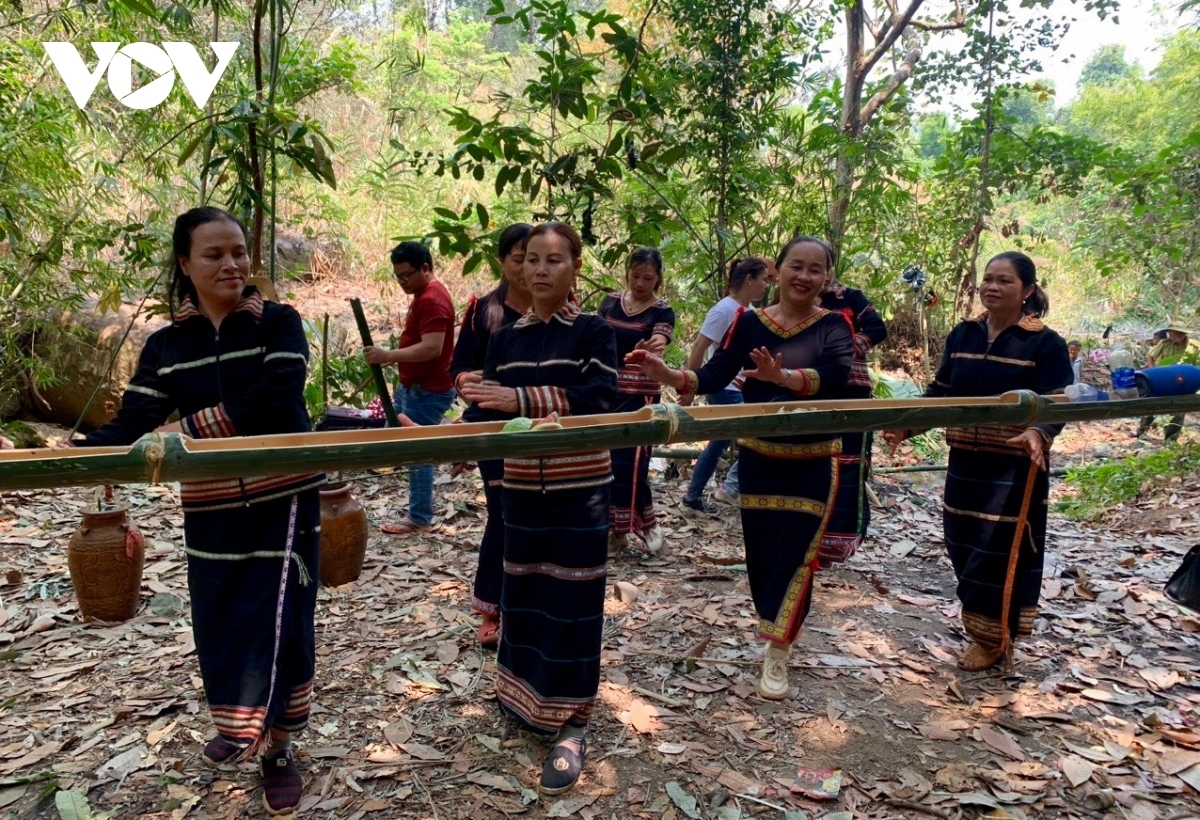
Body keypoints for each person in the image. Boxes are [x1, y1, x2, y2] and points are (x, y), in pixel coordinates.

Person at [72, 208, 328, 815]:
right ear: (185, 264)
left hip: (284, 496)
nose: (232, 264)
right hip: (210, 504)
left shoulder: (280, 322)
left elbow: (276, 397)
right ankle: (240, 723)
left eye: (238, 251)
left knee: (281, 621)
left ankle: (279, 749)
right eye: (214, 255)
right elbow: (135, 420)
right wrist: (75, 454)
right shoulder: (166, 346)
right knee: (222, 618)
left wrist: (183, 431)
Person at [630, 236, 852, 700]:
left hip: (813, 460)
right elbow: (716, 372)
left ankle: (778, 649)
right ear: (777, 271)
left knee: (797, 555)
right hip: (758, 457)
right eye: (795, 266)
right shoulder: (749, 322)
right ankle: (773, 627)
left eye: (815, 269)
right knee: (764, 554)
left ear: (827, 278)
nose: (804, 276)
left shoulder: (835, 325)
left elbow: (834, 379)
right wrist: (671, 375)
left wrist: (782, 377)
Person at [460, 222, 617, 795]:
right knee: (523, 590)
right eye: (531, 259)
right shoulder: (506, 339)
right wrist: (453, 434)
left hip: (582, 490)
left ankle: (573, 721)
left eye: (554, 259)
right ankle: (522, 698)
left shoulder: (594, 332)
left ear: (575, 267)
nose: (541, 269)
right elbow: (490, 410)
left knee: (573, 598)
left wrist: (518, 399)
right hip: (521, 486)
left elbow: (599, 399)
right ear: (519, 267)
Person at [883, 251, 1072, 672]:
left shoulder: (1045, 343)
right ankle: (987, 627)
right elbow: (941, 394)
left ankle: (992, 638)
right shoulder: (964, 334)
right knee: (962, 544)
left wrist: (1039, 432)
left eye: (1005, 280)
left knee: (996, 552)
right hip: (963, 463)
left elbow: (1059, 400)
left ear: (1028, 290)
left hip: (1012, 467)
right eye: (988, 278)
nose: (992, 287)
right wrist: (906, 427)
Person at [449, 223, 533, 647]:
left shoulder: (563, 309)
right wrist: (469, 382)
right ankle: (492, 609)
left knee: (540, 515)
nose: (529, 269)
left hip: (545, 429)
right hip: (494, 428)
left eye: (536, 259)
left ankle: (532, 605)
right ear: (502, 261)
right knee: (503, 514)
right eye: (520, 259)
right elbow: (460, 366)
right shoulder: (484, 311)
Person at [364, 241, 456, 534]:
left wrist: (387, 356)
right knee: (396, 440)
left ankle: (419, 516)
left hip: (427, 391)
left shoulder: (432, 300)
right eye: (398, 277)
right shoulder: (423, 295)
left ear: (425, 268)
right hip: (413, 387)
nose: (402, 282)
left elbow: (431, 348)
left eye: (407, 275)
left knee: (419, 453)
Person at [678, 258, 772, 516]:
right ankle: (716, 491)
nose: (767, 285)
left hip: (739, 387)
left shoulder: (750, 311)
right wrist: (690, 387)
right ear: (749, 279)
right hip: (724, 387)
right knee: (751, 437)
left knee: (725, 441)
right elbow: (699, 347)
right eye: (764, 279)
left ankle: (700, 496)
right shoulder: (724, 310)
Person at [597, 247, 675, 557]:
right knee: (606, 461)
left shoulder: (662, 311)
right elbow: (594, 337)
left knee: (633, 463)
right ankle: (616, 531)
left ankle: (644, 525)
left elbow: (661, 338)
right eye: (635, 276)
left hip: (641, 396)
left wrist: (656, 345)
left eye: (648, 278)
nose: (640, 283)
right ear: (626, 273)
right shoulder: (610, 302)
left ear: (658, 280)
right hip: (606, 391)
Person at [817, 266, 887, 566]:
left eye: (818, 268)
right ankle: (805, 538)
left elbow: (877, 328)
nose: (809, 275)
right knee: (811, 461)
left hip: (850, 390)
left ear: (830, 270)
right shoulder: (790, 299)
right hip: (808, 392)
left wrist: (844, 346)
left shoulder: (849, 297)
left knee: (846, 463)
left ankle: (835, 542)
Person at [1135, 323, 1198, 441]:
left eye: (1175, 334)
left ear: (1182, 334)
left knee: (1179, 409)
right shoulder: (1164, 343)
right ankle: (1141, 432)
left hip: (1182, 383)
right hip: (1163, 380)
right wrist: (1153, 371)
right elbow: (1150, 356)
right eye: (1170, 334)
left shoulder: (1194, 347)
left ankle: (1171, 438)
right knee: (1151, 405)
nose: (1172, 336)